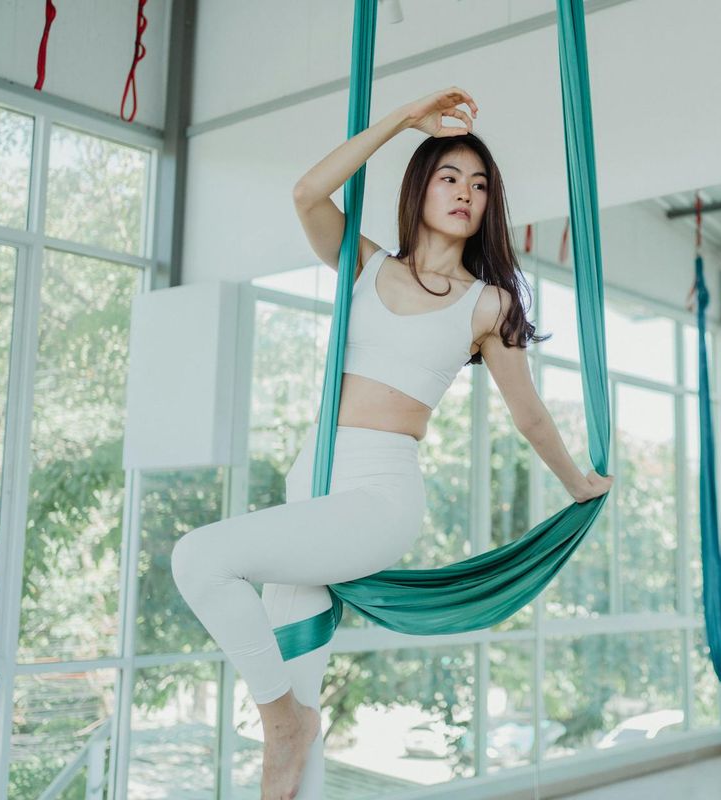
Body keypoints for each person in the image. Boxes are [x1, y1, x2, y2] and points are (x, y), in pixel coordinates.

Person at [171, 87, 613, 799]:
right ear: (421, 187)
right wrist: (404, 120)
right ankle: (289, 728)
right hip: (309, 480)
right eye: (449, 176)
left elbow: (528, 413)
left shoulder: (487, 304)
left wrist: (576, 482)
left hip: (378, 496)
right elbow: (307, 191)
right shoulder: (364, 264)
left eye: (479, 185)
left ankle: (282, 721)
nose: (466, 192)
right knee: (297, 695)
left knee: (198, 558)